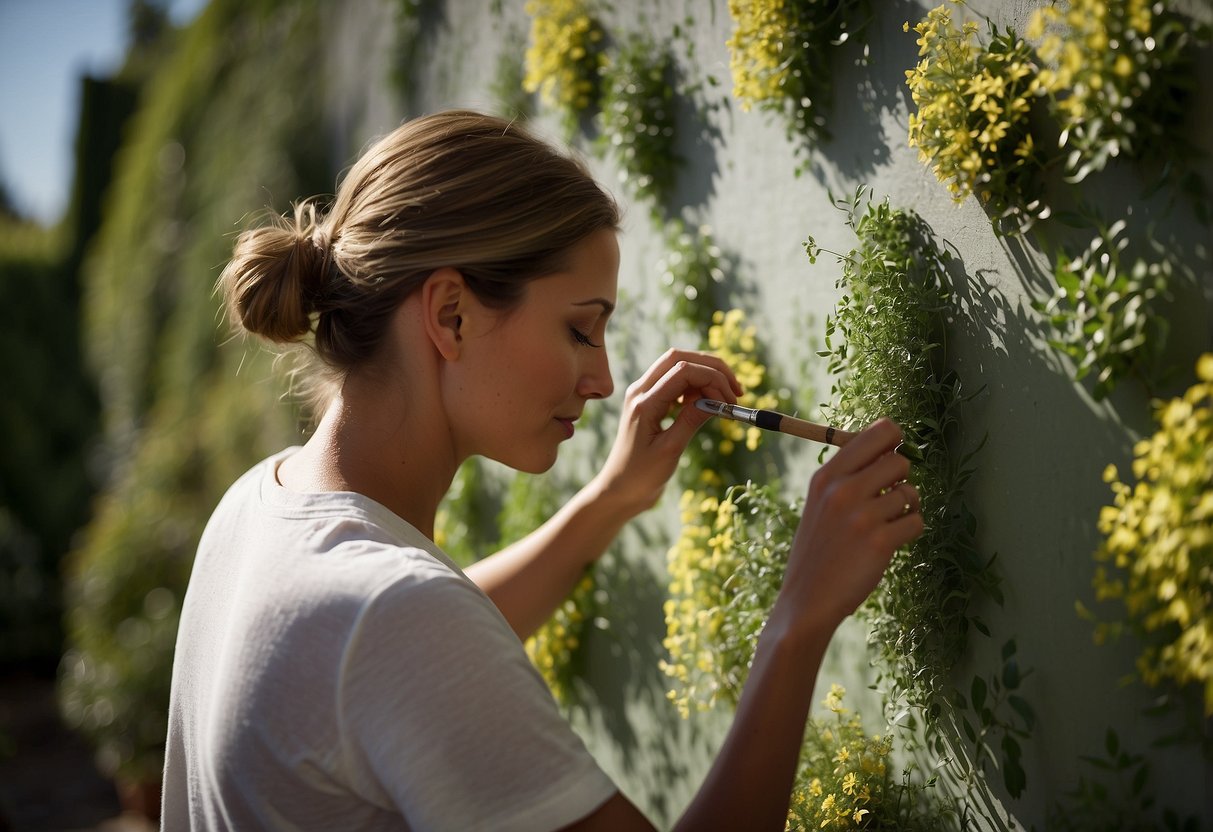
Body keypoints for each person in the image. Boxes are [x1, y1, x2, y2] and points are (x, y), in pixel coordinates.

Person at [161, 109, 923, 831]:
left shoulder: (259, 506)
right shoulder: (392, 614)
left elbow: (413, 658)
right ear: (450, 313)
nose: (602, 379)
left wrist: (611, 499)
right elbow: (414, 637)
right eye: (580, 329)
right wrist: (797, 621)